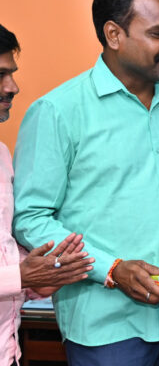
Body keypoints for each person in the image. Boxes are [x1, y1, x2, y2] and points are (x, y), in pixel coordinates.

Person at [12, 0, 159, 366]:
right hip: (105, 328)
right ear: (114, 34)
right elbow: (32, 218)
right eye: (158, 34)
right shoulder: (58, 111)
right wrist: (111, 270)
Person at [0, 24, 94, 366]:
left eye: (12, 74)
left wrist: (43, 275)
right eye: (0, 75)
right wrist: (22, 276)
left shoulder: (2, 155)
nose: (13, 87)